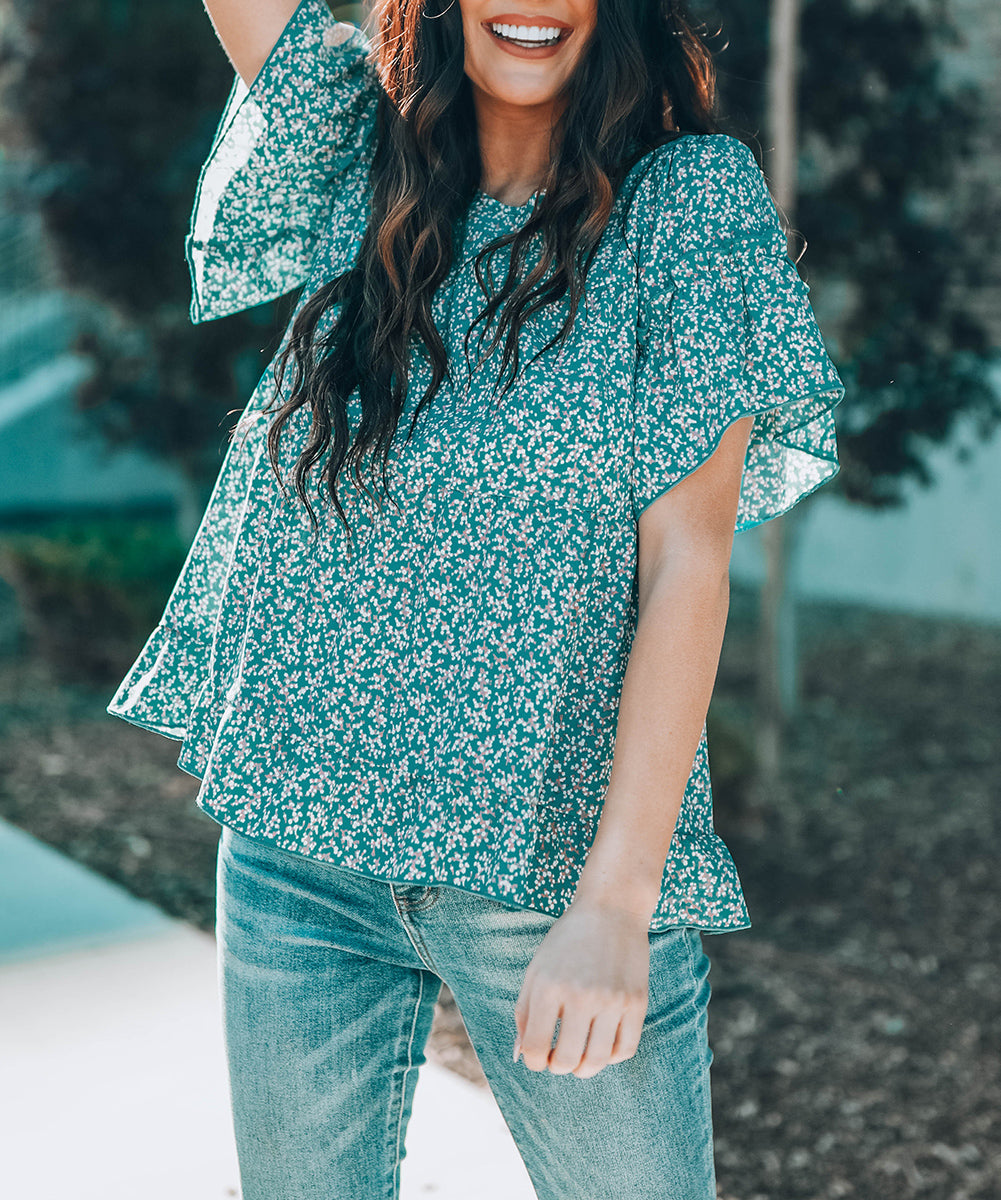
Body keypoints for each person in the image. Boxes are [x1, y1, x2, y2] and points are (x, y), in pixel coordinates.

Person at [107, 0, 844, 1195]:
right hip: (299, 852)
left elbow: (687, 565)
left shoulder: (687, 205)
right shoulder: (361, 149)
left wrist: (616, 900)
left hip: (549, 874)